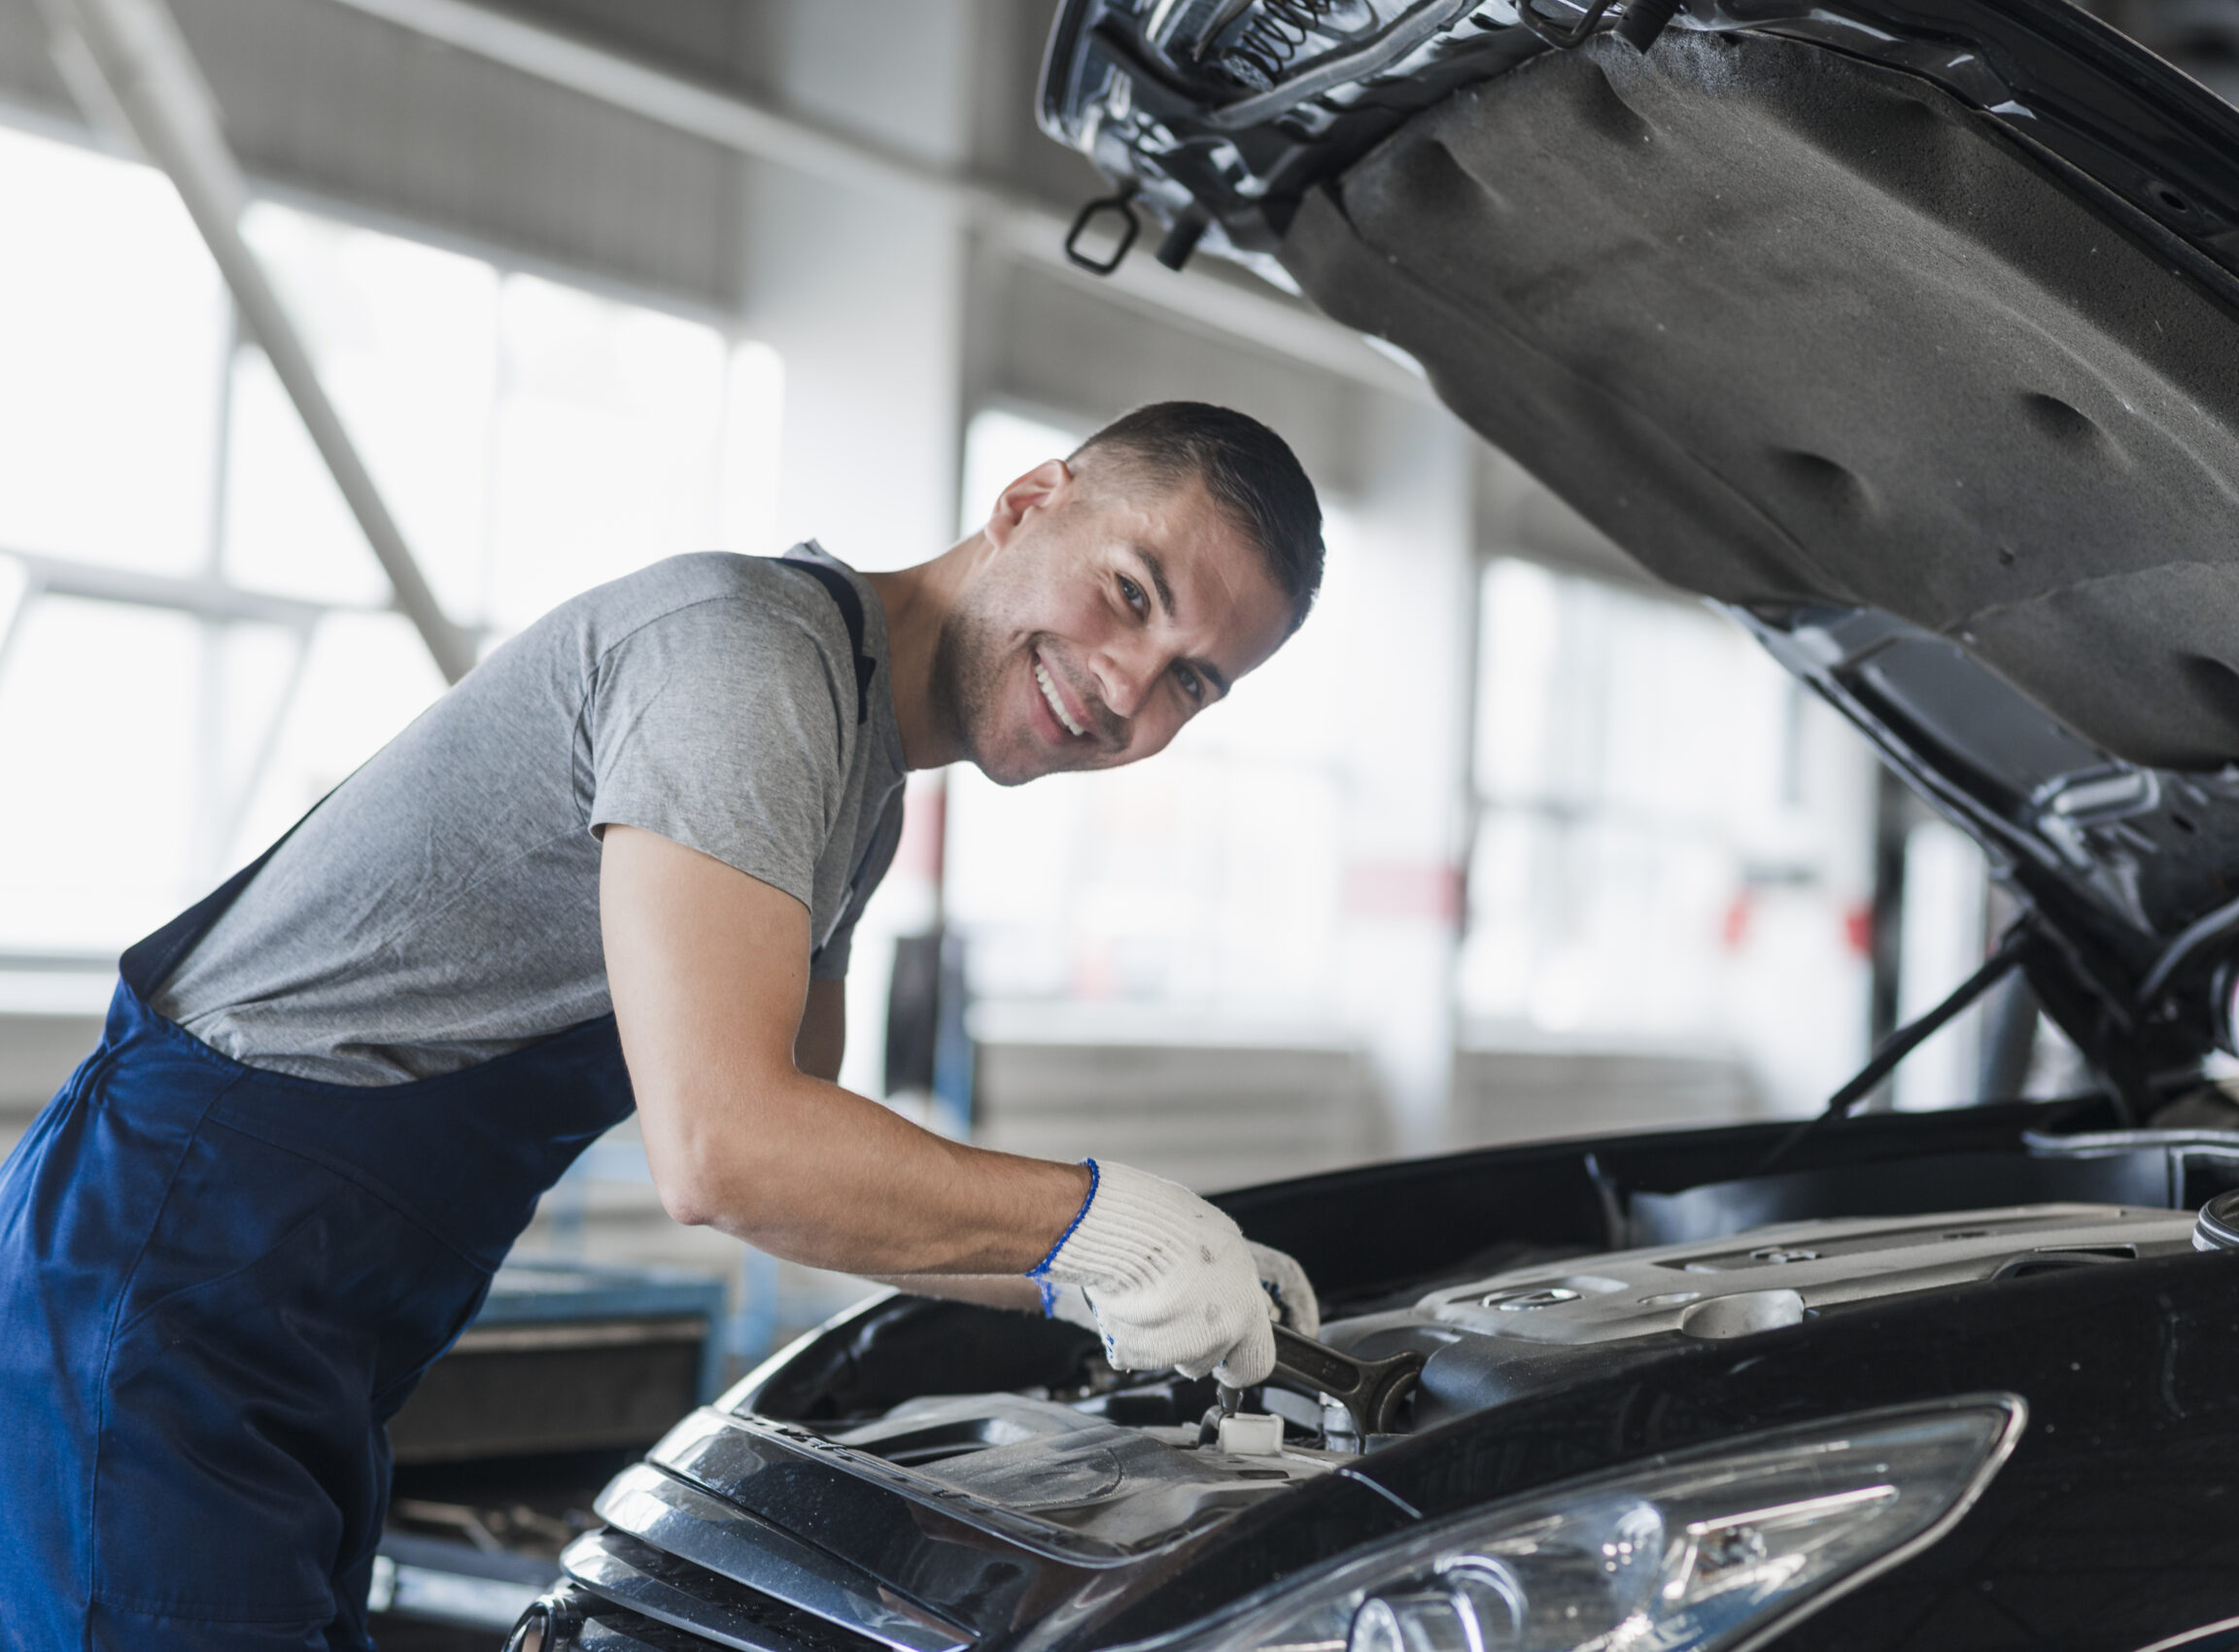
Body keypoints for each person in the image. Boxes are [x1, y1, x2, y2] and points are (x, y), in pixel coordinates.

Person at [0, 399, 1327, 1651]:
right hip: (173, 1264)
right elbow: (731, 1148)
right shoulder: (747, 663)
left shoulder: (854, 782)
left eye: (1192, 683)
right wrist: (1104, 1223)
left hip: (306, 1321)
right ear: (1030, 500)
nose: (1125, 685)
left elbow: (816, 1184)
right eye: (1132, 594)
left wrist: (1128, 1287)